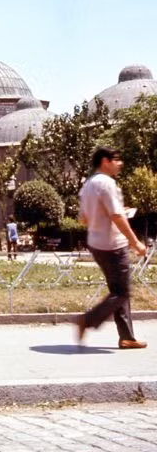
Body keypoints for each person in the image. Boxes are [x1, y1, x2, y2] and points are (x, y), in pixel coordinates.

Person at [76, 147, 147, 349]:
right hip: (113, 245)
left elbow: (83, 219)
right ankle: (87, 320)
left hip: (96, 244)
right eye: (116, 159)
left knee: (117, 291)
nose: (120, 163)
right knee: (122, 292)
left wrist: (105, 214)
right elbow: (116, 216)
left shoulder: (87, 184)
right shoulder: (107, 184)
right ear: (105, 161)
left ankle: (127, 337)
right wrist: (136, 243)